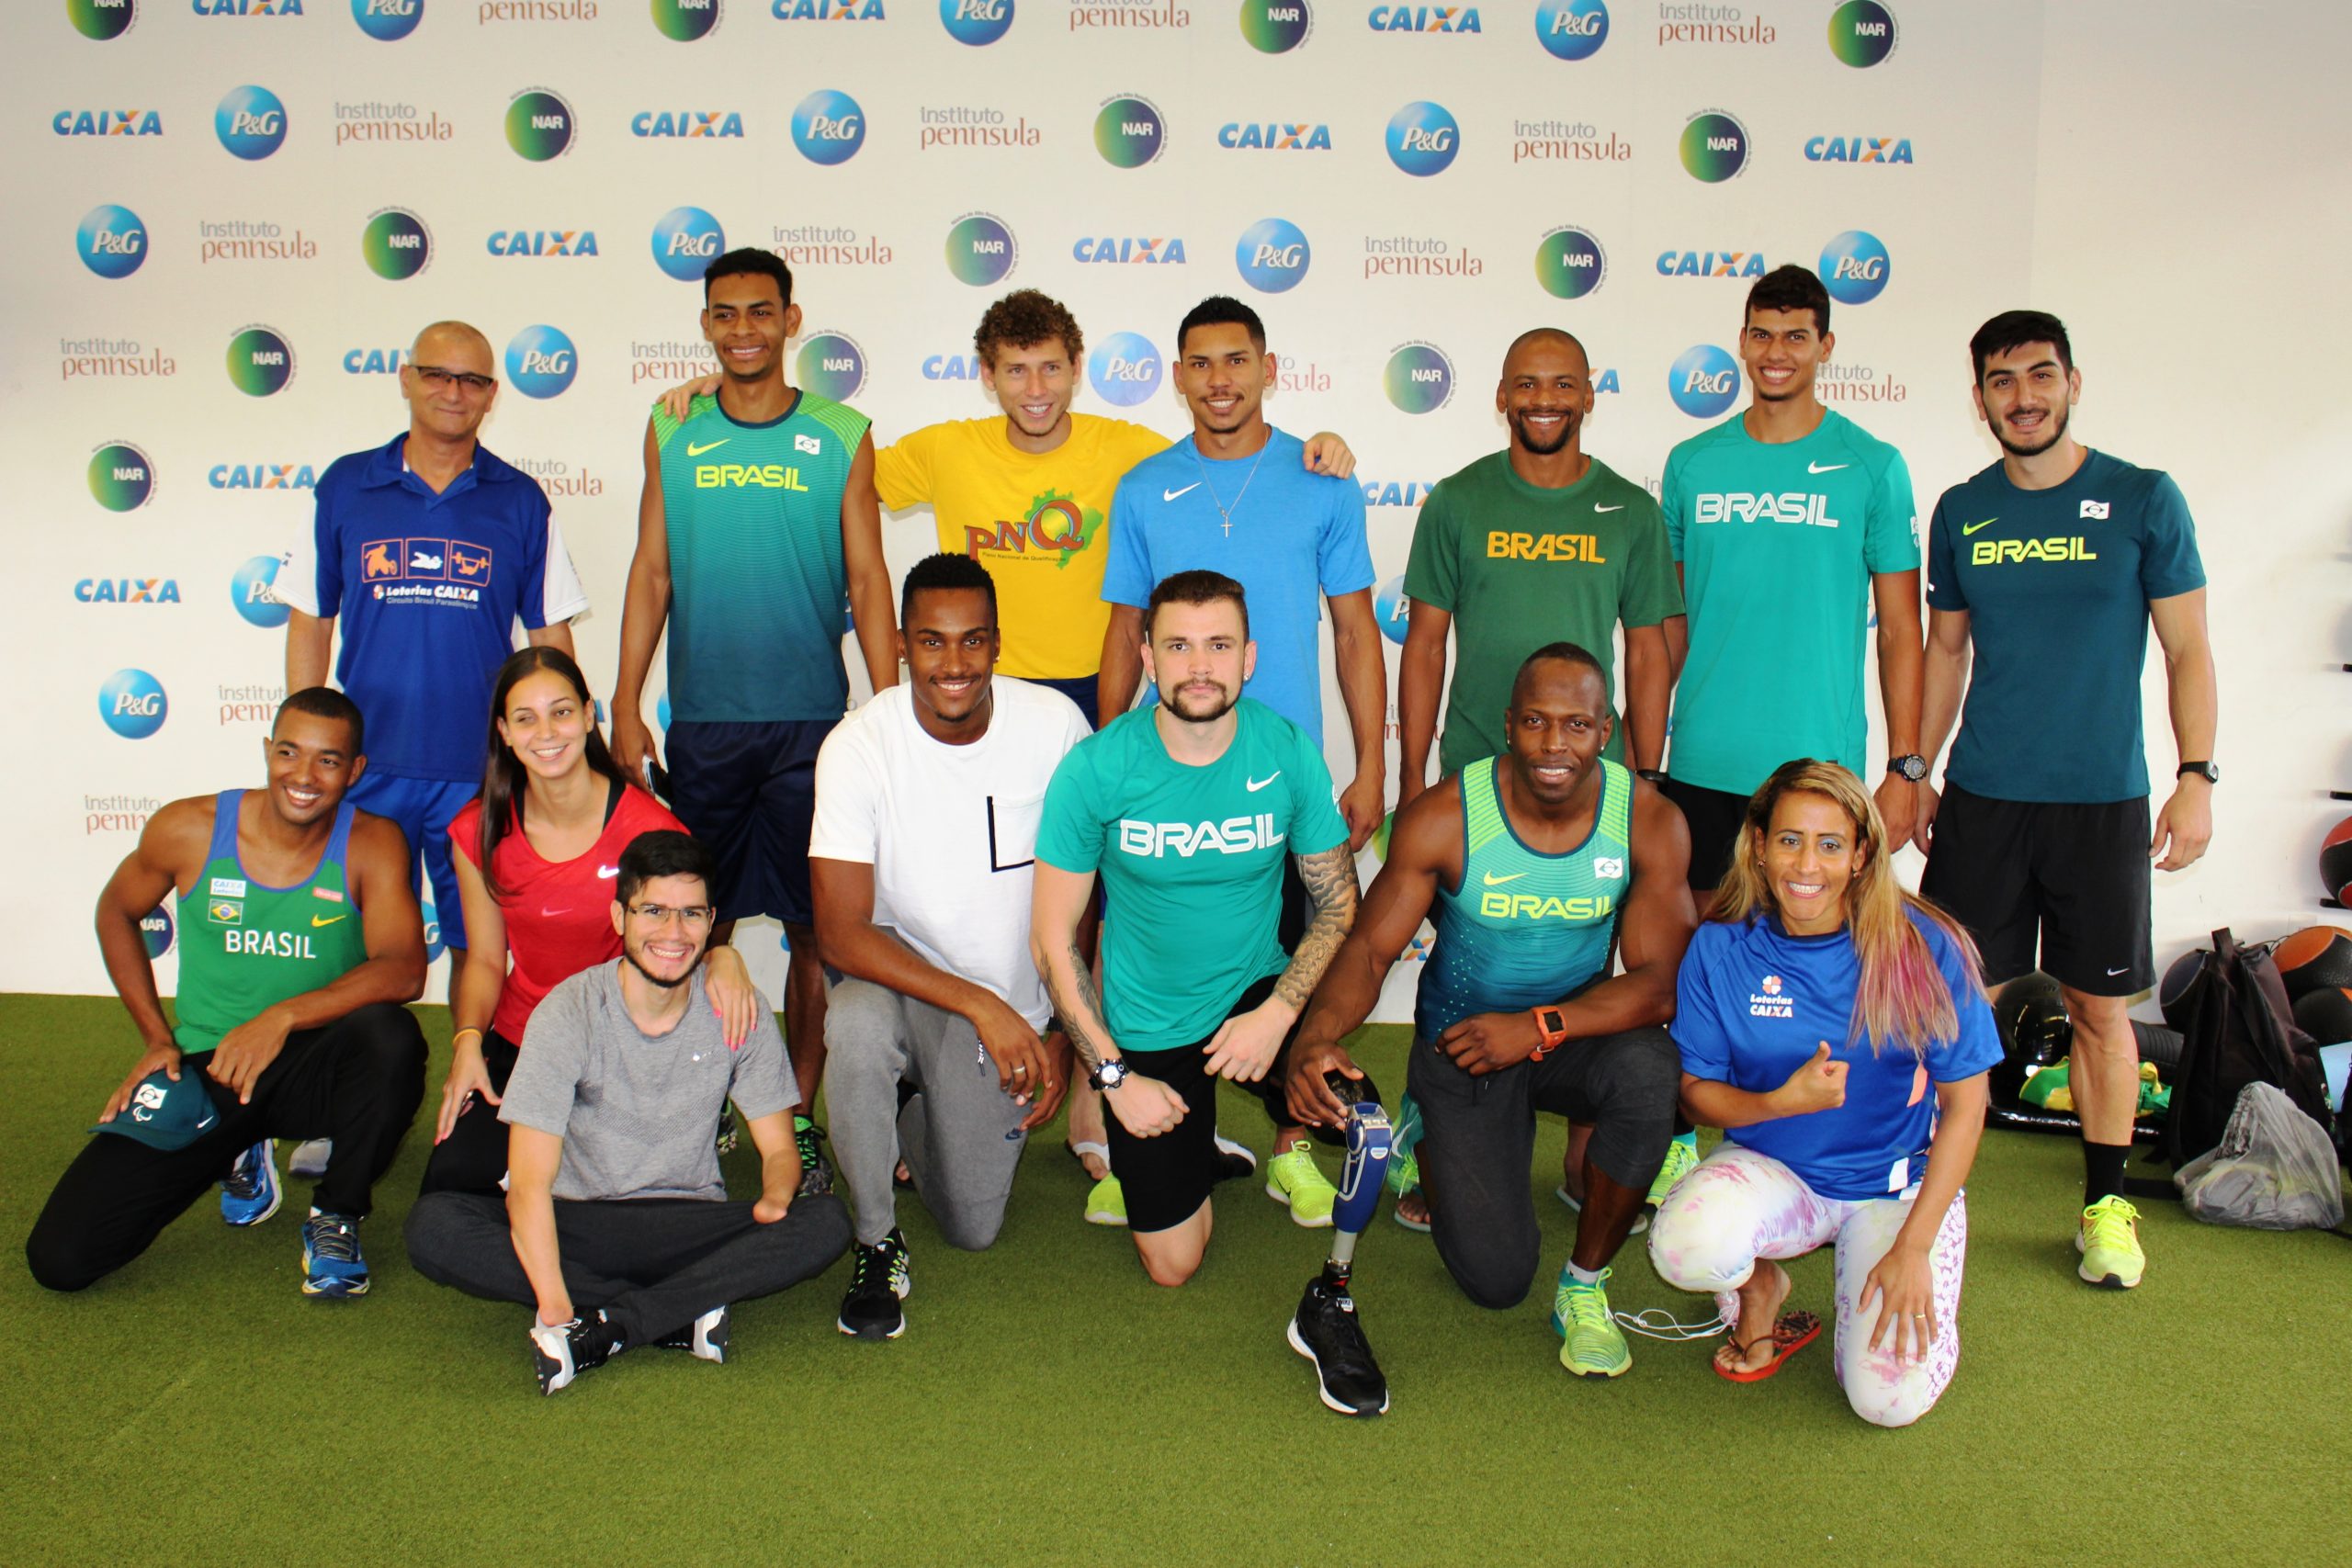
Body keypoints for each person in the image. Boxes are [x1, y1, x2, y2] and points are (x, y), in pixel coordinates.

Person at [1286, 645, 1695, 1386]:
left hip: (1561, 1036)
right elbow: (1373, 950)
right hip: (1463, 1047)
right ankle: (1427, 1131)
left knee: (1651, 1069)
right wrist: (1315, 1036)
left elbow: (1661, 983)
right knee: (1497, 1279)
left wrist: (1539, 1025)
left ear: (1607, 732)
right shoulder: (1447, 816)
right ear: (1507, 725)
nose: (1553, 745)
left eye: (1576, 724)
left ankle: (1584, 1287)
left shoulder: (1647, 821)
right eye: (1535, 721)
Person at [1913, 310, 2215, 1291]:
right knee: (1956, 1007)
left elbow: (2186, 650)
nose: (2022, 397)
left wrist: (2194, 776)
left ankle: (2104, 1207)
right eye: (2001, 381)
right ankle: (1911, 1191)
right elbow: (1945, 651)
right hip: (1984, 800)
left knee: (2098, 1011)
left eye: (2039, 376)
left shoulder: (2140, 498)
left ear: (2072, 383)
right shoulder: (1962, 509)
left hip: (2101, 805)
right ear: (1980, 400)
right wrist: (1912, 768)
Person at [611, 247, 899, 1196]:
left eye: (759, 312)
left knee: (819, 934)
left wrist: (890, 708)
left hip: (812, 728)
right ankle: (695, 1108)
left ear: (790, 320)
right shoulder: (673, 426)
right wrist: (622, 697)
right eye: (725, 314)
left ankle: (801, 1112)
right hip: (703, 726)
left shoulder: (840, 429)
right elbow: (651, 571)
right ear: (706, 324)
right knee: (696, 922)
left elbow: (867, 581)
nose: (742, 329)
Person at [276, 319, 585, 1180]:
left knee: (477, 949)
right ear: (406, 379)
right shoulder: (346, 486)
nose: (455, 392)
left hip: (474, 777)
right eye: (439, 376)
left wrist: (557, 748)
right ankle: (333, 1111)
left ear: (492, 392)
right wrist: (310, 748)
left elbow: (549, 635)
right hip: (366, 777)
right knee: (350, 947)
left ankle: (476, 1103)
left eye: (474, 381)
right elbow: (311, 616)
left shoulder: (520, 500)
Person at [406, 831, 853, 1394]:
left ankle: (615, 1326)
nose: (673, 933)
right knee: (435, 1225)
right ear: (620, 917)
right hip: (582, 1221)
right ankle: (678, 1312)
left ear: (712, 919)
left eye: (691, 914)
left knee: (826, 1220)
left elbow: (782, 1150)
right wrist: (555, 1303)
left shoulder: (739, 1009)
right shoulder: (569, 1011)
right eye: (654, 912)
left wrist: (775, 1196)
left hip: (689, 1224)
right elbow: (527, 1183)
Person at [27, 690, 428, 1298]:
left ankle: (335, 1213)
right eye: (289, 752)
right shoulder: (188, 827)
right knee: (60, 1258)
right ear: (268, 751)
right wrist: (156, 1038)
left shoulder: (373, 842)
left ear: (355, 770)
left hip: (310, 1066)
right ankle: (239, 1151)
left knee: (392, 1037)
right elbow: (116, 909)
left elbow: (403, 969)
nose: (304, 775)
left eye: (327, 760)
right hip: (209, 1072)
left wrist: (283, 1016)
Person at [1033, 571, 1364, 1286]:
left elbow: (1337, 901)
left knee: (1352, 1103)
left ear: (1249, 657)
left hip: (1254, 992)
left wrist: (1279, 1015)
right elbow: (1054, 941)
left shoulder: (1286, 752)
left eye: (1219, 645)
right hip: (1150, 1022)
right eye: (1178, 646)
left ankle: (1277, 1140)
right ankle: (1188, 1143)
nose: (1200, 666)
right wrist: (1114, 1076)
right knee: (1173, 1265)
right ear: (1148, 659)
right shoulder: (1096, 768)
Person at [1647, 761, 1996, 1427]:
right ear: (1758, 844)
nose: (1807, 863)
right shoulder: (1722, 947)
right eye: (1789, 840)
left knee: (1885, 1402)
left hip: (1893, 1187)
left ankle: (1900, 1290)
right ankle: (1760, 1285)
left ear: (1862, 854)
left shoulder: (1924, 945)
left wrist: (1914, 1247)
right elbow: (1696, 1094)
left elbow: (1966, 1108)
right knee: (1684, 1247)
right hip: (1777, 1174)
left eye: (1830, 843)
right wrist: (1780, 1102)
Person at [812, 554, 1093, 1339]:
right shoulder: (859, 744)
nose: (954, 664)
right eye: (932, 642)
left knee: (975, 1225)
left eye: (973, 642)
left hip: (1014, 1008)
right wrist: (979, 1003)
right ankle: (875, 1240)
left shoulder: (1057, 728)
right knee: (858, 1027)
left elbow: (1085, 902)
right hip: (904, 978)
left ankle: (907, 1117)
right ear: (902, 644)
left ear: (999, 643)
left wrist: (1062, 1031)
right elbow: (839, 931)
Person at [416, 647, 762, 1198]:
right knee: (453, 1185)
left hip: (622, 1045)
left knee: (615, 1188)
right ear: (504, 731)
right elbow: (484, 959)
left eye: (561, 711)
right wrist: (465, 1043)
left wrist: (725, 954)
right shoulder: (478, 830)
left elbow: (681, 935)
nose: (546, 732)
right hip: (525, 1038)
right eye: (525, 718)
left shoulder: (649, 827)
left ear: (587, 714)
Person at [1658, 265, 1924, 890]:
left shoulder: (1873, 466)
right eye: (1761, 335)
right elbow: (1669, 625)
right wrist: (1644, 761)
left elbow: (1901, 630)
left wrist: (1906, 768)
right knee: (1704, 957)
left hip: (1818, 770)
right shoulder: (1691, 463)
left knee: (1814, 963)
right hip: (1703, 759)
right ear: (1743, 342)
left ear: (1825, 347)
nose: (1776, 354)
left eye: (1795, 337)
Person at [1096, 297, 1385, 859]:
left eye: (1236, 360)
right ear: (1178, 378)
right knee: (1171, 938)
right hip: (1167, 763)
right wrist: (1109, 755)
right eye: (1200, 365)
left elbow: (1355, 633)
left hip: (1285, 766)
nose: (1219, 380)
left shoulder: (1325, 482)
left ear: (1268, 369)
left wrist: (1372, 767)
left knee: (1293, 944)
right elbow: (1126, 629)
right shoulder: (1141, 488)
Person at [1398, 329, 1680, 801]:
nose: (1544, 399)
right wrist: (1410, 778)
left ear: (1589, 396)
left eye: (1564, 384)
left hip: (1591, 777)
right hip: (1475, 770)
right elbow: (1426, 646)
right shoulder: (1456, 501)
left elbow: (1649, 654)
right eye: (1527, 384)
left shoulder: (1630, 509)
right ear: (1502, 395)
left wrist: (1647, 783)